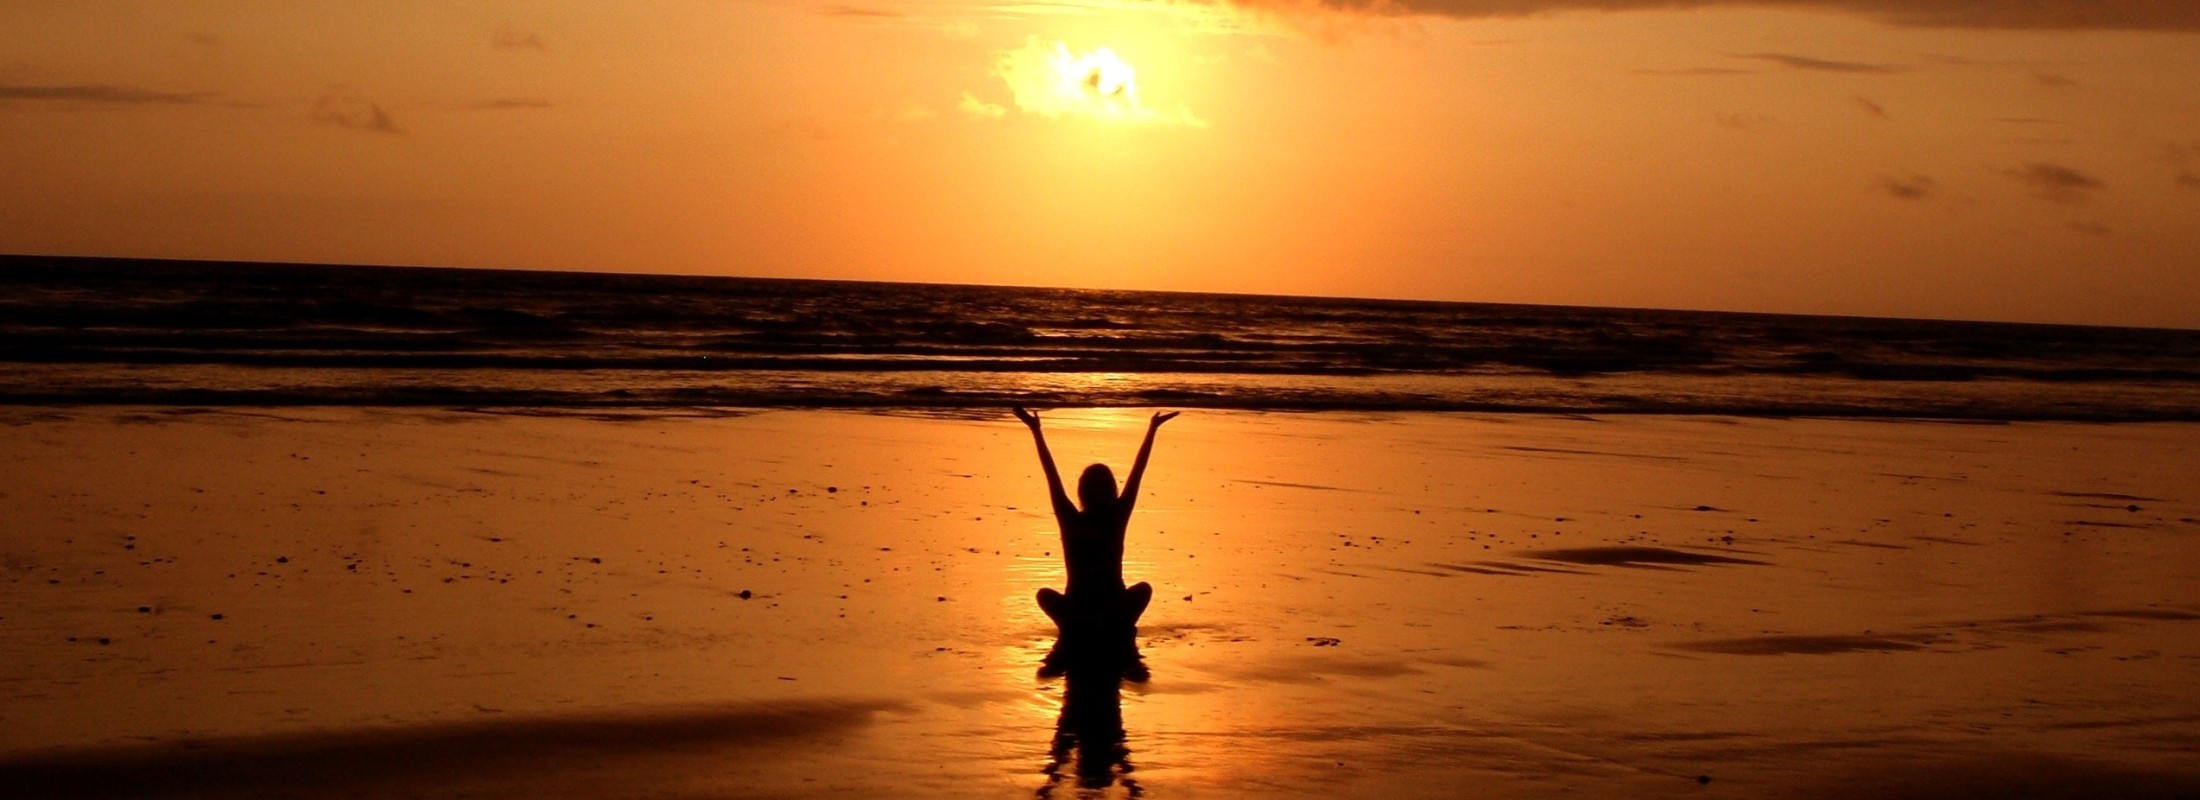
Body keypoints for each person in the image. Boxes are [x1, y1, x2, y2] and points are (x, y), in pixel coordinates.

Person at [1013, 406, 1177, 651]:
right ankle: (1100, 625)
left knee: (1143, 589)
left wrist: (1152, 430)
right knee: (1045, 595)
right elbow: (1051, 476)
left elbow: (1137, 473)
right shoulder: (1082, 517)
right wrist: (1036, 431)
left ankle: (1090, 625)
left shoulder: (1106, 516)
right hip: (1092, 609)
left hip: (1100, 608)